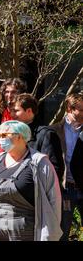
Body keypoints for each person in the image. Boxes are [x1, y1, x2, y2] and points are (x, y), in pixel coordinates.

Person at [0, 120, 62, 241]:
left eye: (5, 135)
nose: (1, 139)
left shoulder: (39, 162)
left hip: (25, 233)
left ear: (19, 136)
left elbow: (54, 200)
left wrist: (49, 235)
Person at [51, 92, 83, 241]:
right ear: (70, 109)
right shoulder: (55, 130)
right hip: (65, 188)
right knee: (62, 232)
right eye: (81, 110)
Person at [11, 93, 64, 183]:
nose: (12, 114)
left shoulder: (46, 134)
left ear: (29, 111)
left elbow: (54, 169)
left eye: (16, 111)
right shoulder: (13, 133)